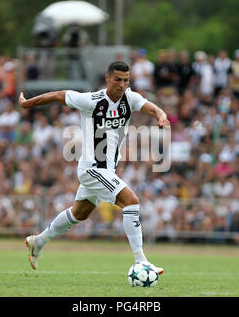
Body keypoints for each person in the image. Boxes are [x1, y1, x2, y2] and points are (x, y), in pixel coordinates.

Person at [19, 61, 169, 274]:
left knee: (79, 213)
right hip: (92, 168)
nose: (122, 85)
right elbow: (59, 95)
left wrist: (161, 116)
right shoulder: (91, 100)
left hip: (107, 170)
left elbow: (152, 107)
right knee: (131, 201)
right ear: (108, 79)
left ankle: (39, 241)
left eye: (126, 80)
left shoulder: (130, 98)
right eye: (118, 80)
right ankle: (141, 261)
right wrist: (28, 104)